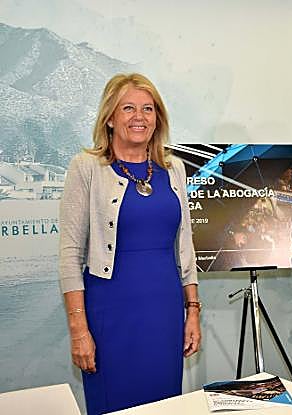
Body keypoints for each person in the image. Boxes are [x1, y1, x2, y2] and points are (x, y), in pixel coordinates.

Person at [58, 73, 201, 414]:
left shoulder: (174, 169)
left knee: (165, 405)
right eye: (128, 108)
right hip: (110, 314)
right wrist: (78, 329)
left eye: (148, 109)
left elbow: (185, 246)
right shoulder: (86, 167)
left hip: (164, 313)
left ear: (158, 118)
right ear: (109, 118)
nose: (140, 117)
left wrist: (193, 311)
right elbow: (70, 254)